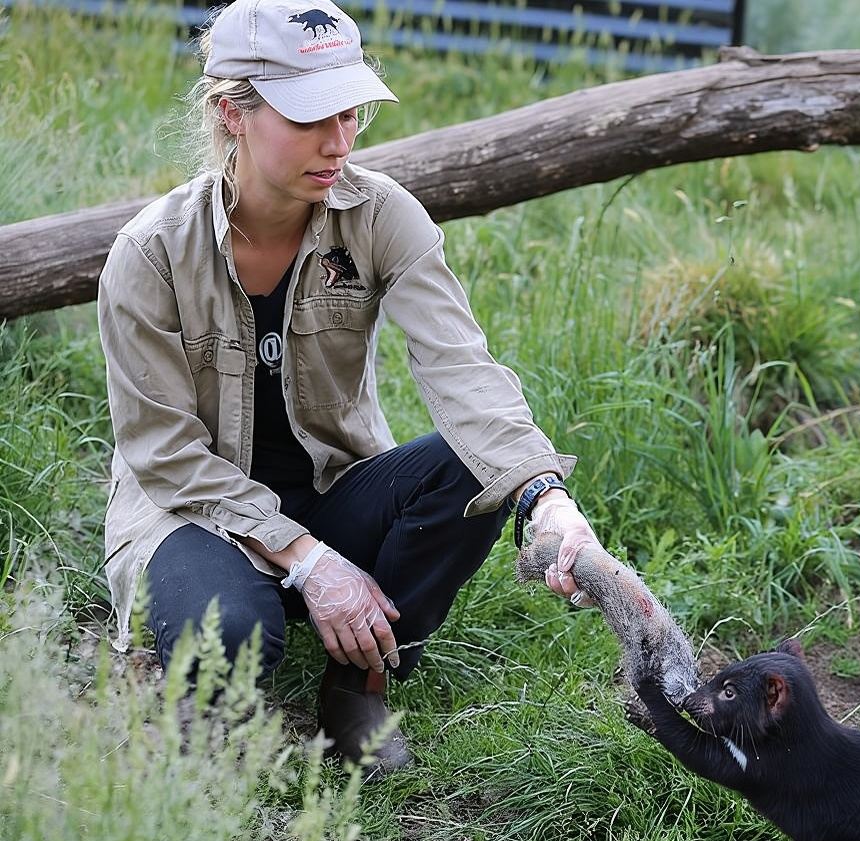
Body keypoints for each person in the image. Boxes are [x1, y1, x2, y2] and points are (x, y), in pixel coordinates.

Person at [97, 0, 600, 776]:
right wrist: (307, 561)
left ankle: (357, 683)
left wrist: (547, 500)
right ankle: (192, 671)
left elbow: (463, 370)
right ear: (232, 113)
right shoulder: (152, 253)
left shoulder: (381, 216)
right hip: (193, 512)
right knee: (231, 633)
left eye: (350, 111)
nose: (338, 141)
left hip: (331, 486)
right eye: (309, 117)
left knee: (476, 469)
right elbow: (164, 454)